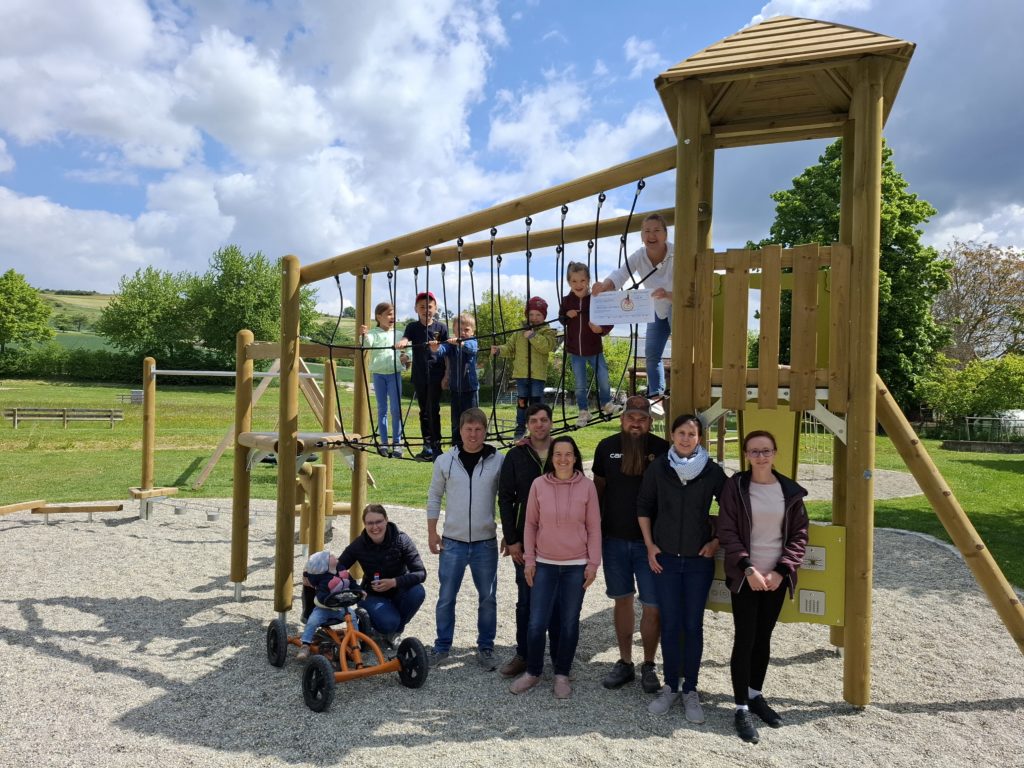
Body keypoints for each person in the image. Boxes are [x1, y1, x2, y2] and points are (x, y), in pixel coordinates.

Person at [718, 430, 809, 744]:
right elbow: (727, 530)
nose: (760, 456)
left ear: (775, 453)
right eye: (754, 451)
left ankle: (756, 695)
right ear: (746, 454)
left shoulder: (789, 491)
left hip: (776, 577)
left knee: (764, 637)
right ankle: (741, 705)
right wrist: (748, 568)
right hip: (746, 576)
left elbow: (799, 535)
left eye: (766, 450)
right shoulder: (736, 487)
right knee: (745, 638)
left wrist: (782, 571)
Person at [637, 413, 725, 722]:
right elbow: (644, 507)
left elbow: (729, 510)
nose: (686, 438)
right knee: (671, 625)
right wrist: (650, 545)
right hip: (666, 561)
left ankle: (691, 690)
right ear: (672, 435)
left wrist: (716, 541)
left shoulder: (712, 471)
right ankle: (670, 686)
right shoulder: (659, 468)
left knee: (692, 626)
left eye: (692, 433)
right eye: (682, 432)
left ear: (700, 438)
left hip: (699, 561)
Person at [510, 435, 601, 699]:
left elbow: (594, 528)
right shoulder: (539, 485)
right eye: (558, 454)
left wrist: (593, 564)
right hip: (544, 564)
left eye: (568, 454)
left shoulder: (587, 487)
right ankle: (534, 671)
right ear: (551, 458)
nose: (563, 459)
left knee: (570, 622)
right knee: (537, 622)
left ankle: (562, 673)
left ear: (575, 458)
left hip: (576, 565)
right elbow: (530, 525)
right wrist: (529, 560)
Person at [591, 395, 671, 693]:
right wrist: (593, 531)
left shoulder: (663, 450)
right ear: (622, 419)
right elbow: (597, 491)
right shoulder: (606, 447)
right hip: (614, 540)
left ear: (650, 422)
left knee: (652, 605)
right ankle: (625, 662)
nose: (636, 422)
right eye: (631, 417)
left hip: (651, 545)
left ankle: (649, 664)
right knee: (622, 600)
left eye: (642, 418)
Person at [426, 407, 505, 669]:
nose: (473, 434)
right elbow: (434, 496)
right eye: (468, 429)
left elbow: (506, 499)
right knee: (447, 596)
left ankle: (485, 647)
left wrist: (509, 534)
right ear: (460, 431)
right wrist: (431, 531)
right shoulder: (444, 461)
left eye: (478, 429)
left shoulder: (498, 461)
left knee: (488, 597)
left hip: (485, 542)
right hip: (453, 541)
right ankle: (442, 646)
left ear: (485, 431)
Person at [496, 402, 559, 679]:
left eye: (544, 420)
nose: (539, 425)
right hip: (525, 539)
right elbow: (505, 498)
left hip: (559, 540)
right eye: (534, 420)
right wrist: (512, 539)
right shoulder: (516, 455)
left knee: (558, 601)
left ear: (551, 423)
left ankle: (559, 657)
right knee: (526, 601)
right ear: (527, 425)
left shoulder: (564, 451)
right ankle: (525, 654)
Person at [591, 213, 673, 416]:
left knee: (682, 349)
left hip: (677, 304)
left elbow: (691, 283)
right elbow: (621, 274)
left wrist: (669, 294)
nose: (651, 235)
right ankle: (656, 397)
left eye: (656, 230)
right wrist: (605, 286)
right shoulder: (639, 255)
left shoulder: (676, 253)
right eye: (647, 231)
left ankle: (678, 389)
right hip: (656, 307)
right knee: (652, 354)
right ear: (641, 236)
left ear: (665, 233)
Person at [337, 504, 427, 648]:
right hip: (371, 594)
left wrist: (394, 582)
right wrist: (354, 587)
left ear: (386, 520)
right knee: (388, 622)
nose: (375, 527)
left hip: (399, 590)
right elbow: (338, 567)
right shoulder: (359, 544)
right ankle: (381, 624)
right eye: (370, 523)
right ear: (364, 524)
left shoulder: (401, 540)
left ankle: (395, 632)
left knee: (418, 591)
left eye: (378, 521)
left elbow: (421, 573)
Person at [491, 296, 558, 440]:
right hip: (521, 375)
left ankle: (538, 430)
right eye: (531, 314)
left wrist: (533, 336)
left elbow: (547, 347)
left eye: (538, 315)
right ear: (526, 315)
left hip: (537, 376)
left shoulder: (548, 332)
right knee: (521, 404)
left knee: (536, 405)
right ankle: (520, 430)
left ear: (544, 316)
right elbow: (510, 348)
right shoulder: (519, 332)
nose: (534, 318)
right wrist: (499, 350)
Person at [558, 261, 614, 427]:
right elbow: (562, 319)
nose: (578, 285)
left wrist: (601, 330)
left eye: (582, 281)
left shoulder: (596, 299)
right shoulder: (567, 300)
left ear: (588, 280)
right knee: (580, 383)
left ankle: (606, 404)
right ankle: (583, 411)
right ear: (569, 282)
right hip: (576, 351)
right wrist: (567, 315)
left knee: (603, 377)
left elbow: (608, 320)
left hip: (594, 349)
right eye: (574, 281)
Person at [398, 291, 448, 460]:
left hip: (436, 374)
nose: (426, 309)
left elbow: (447, 351)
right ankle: (427, 445)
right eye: (422, 307)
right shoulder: (412, 327)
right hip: (419, 375)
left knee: (433, 409)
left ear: (435, 308)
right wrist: (404, 341)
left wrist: (447, 375)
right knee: (423, 411)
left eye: (429, 306)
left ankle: (436, 445)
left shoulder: (441, 327)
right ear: (416, 309)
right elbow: (406, 337)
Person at [360, 301, 405, 457]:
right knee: (382, 409)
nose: (392, 317)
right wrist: (364, 335)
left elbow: (407, 352)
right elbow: (367, 344)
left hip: (394, 374)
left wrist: (407, 358)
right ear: (379, 316)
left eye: (394, 314)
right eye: (389, 314)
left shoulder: (399, 335)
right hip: (379, 375)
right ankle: (384, 443)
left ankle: (397, 444)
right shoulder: (373, 333)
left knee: (396, 409)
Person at [296, 549, 357, 660]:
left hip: (340, 607)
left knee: (352, 616)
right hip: (323, 608)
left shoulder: (342, 572)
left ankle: (355, 640)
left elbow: (352, 583)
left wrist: (360, 591)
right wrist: (330, 600)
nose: (334, 556)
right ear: (325, 564)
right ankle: (305, 644)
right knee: (312, 621)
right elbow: (321, 596)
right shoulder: (323, 580)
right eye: (331, 556)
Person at [431, 312, 480, 448]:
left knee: (473, 419)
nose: (463, 332)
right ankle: (456, 446)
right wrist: (437, 348)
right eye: (459, 330)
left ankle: (474, 444)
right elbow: (442, 350)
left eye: (466, 330)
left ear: (472, 331)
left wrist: (461, 344)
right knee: (456, 420)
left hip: (470, 389)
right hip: (455, 390)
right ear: (454, 330)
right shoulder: (451, 344)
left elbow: (472, 349)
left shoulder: (472, 341)